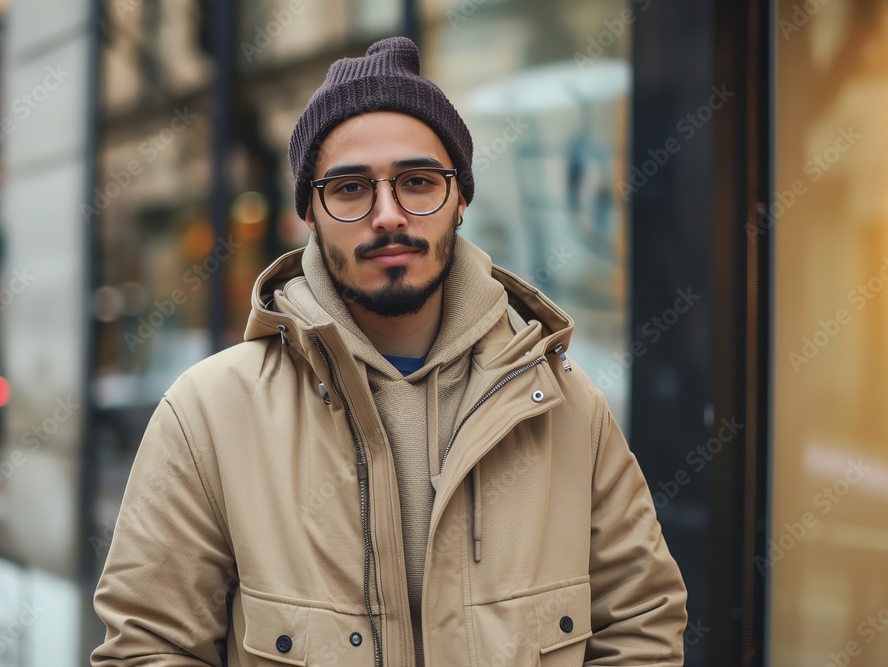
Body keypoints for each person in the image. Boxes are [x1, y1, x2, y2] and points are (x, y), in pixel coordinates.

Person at [92, 36, 687, 667]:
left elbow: (641, 625)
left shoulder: (564, 406)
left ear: (460, 200)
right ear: (308, 214)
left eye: (418, 181)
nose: (388, 215)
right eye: (350, 188)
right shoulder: (209, 415)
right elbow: (149, 648)